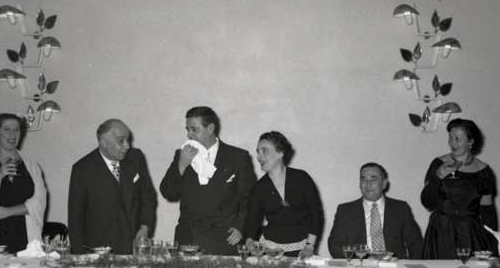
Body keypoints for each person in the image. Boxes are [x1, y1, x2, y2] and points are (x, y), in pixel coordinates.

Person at [160, 106, 256, 255]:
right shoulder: (182, 154)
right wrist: (181, 165)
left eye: (194, 129)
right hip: (188, 238)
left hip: (224, 239)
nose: (189, 135)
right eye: (187, 129)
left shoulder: (238, 157)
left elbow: (249, 198)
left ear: (210, 128)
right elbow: (168, 193)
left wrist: (240, 227)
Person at [68, 119, 157, 254]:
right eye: (121, 141)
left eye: (128, 140)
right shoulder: (82, 169)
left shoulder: (136, 158)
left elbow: (148, 196)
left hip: (133, 248)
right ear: (103, 143)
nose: (127, 146)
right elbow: (75, 219)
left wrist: (145, 227)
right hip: (99, 252)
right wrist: (79, 257)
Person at [421, 118, 498, 259]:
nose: (452, 143)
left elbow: (488, 212)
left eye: (457, 139)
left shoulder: (484, 172)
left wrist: (494, 245)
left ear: (471, 141)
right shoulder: (438, 164)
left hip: (471, 234)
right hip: (441, 233)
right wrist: (438, 177)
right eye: (450, 138)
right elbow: (427, 203)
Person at [244, 131, 321, 258]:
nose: (259, 157)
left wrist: (310, 245)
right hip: (269, 249)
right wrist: (249, 241)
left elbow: (316, 214)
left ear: (280, 153)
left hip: (302, 248)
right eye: (258, 152)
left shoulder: (302, 178)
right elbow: (251, 222)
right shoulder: (259, 188)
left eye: (264, 151)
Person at [0, 113, 47, 253]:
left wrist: (7, 212)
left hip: (27, 238)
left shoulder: (32, 166)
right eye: (7, 129)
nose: (13, 134)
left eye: (16, 129)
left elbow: (39, 202)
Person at [328, 162, 423, 259]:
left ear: (384, 184)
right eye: (363, 179)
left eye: (373, 179)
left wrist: (411, 266)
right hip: (359, 265)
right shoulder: (345, 211)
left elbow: (416, 243)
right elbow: (334, 245)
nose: (368, 184)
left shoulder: (400, 209)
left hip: (393, 265)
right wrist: (357, 260)